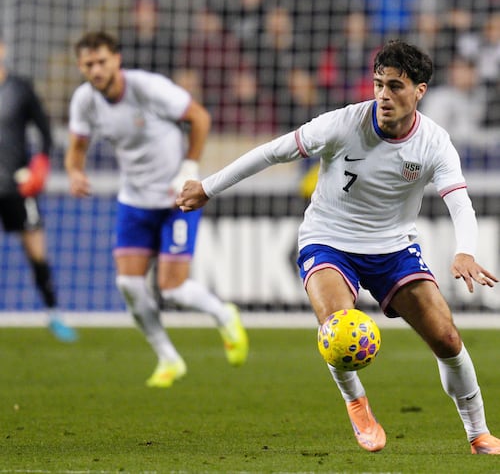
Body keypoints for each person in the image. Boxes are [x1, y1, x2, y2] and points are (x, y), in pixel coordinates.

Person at [176, 40, 500, 454]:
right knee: (339, 329)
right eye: (379, 84)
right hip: (328, 240)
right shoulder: (344, 123)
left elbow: (459, 201)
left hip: (393, 247)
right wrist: (208, 187)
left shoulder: (434, 143)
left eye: (396, 86)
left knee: (448, 339)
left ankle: (478, 433)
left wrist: (465, 250)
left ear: (419, 91)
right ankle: (357, 403)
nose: (383, 95)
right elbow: (272, 152)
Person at [65, 31, 248, 388]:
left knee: (173, 289)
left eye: (102, 61)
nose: (97, 69)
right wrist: (74, 172)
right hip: (134, 200)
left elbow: (199, 117)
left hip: (176, 198)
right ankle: (168, 357)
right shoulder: (85, 101)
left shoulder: (147, 88)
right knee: (128, 284)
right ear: (81, 67)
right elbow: (76, 146)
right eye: (89, 64)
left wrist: (189, 168)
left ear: (117, 59)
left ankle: (223, 313)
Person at [0, 40, 78, 343]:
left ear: (3, 49)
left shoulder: (20, 88)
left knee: (36, 252)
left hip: (19, 185)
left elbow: (45, 131)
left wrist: (41, 164)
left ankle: (54, 313)